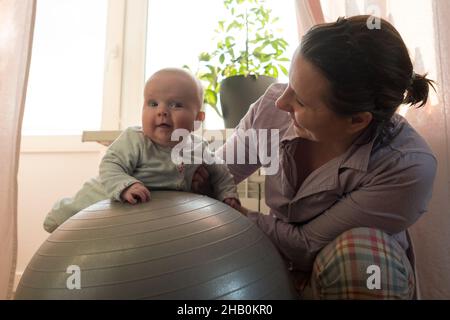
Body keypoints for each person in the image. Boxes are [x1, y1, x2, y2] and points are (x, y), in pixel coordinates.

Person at [192, 16, 437, 299]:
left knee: (360, 259)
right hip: (278, 261)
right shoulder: (274, 107)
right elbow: (218, 175)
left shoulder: (406, 166)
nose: (282, 102)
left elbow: (306, 244)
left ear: (357, 120)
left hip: (354, 275)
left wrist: (240, 215)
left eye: (301, 102)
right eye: (289, 83)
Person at [44, 68, 240, 233]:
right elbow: (110, 165)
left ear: (198, 118)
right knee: (73, 212)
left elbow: (220, 173)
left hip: (148, 214)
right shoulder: (135, 139)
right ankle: (59, 214)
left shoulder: (198, 147)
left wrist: (228, 195)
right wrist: (126, 185)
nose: (161, 111)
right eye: (153, 104)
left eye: (176, 105)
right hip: (104, 193)